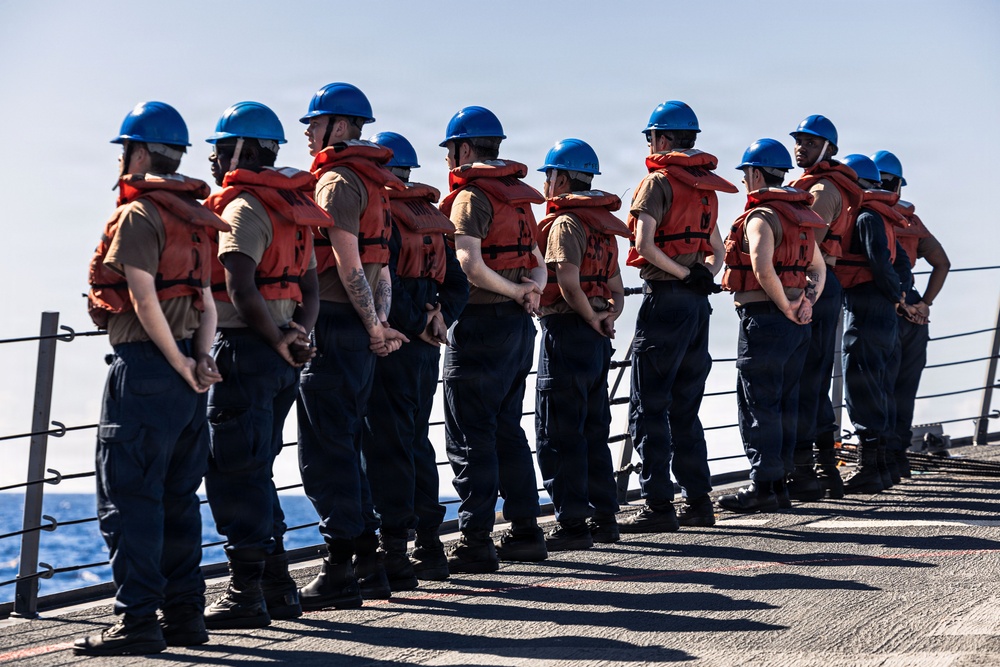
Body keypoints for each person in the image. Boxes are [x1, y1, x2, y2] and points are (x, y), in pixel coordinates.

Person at [77, 101, 227, 656]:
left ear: (137, 153)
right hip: (190, 372)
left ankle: (137, 620)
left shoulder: (141, 216)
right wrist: (202, 359)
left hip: (146, 369)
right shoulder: (196, 217)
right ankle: (186, 615)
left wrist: (179, 360)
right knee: (178, 497)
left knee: (131, 499)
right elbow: (208, 302)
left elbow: (142, 299)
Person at [201, 102, 328, 628]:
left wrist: (276, 337)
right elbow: (313, 286)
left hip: (244, 350)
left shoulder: (243, 208)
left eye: (218, 148)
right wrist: (298, 333)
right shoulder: (291, 207)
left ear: (241, 150)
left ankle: (244, 593)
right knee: (256, 468)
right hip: (282, 355)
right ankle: (278, 585)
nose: (212, 159)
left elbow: (239, 285)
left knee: (233, 471)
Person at [296, 82, 408, 609]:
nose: (307, 133)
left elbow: (347, 262)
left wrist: (369, 325)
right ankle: (369, 565)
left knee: (327, 454)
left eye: (313, 124)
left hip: (335, 327)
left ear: (338, 126)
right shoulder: (375, 185)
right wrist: (380, 324)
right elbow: (379, 267)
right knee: (351, 446)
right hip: (361, 331)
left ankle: (339, 567)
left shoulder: (337, 182)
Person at [438, 105, 548, 572]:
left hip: (480, 327)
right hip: (519, 328)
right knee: (507, 429)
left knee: (470, 436)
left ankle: (475, 540)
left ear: (463, 149)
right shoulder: (518, 199)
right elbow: (539, 260)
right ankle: (525, 530)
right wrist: (530, 292)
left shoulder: (469, 197)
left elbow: (468, 265)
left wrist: (513, 290)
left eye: (449, 151)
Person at [623, 100, 736, 532]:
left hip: (665, 300)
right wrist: (703, 275)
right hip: (697, 304)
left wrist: (682, 274)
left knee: (649, 406)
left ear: (663, 139)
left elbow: (645, 245)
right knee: (686, 408)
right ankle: (698, 501)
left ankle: (657, 505)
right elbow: (719, 251)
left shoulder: (656, 183)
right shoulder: (705, 188)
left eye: (651, 137)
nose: (650, 144)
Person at [364, 131, 469, 586]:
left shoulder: (383, 215)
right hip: (428, 349)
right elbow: (459, 284)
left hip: (395, 345)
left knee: (386, 445)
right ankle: (430, 543)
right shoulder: (433, 217)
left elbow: (383, 278)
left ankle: (394, 554)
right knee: (416, 441)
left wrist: (413, 323)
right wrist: (440, 318)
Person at [718, 139, 826, 512]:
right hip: (798, 326)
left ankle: (764, 487)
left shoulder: (762, 216)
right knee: (785, 403)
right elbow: (818, 268)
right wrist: (805, 304)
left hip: (765, 320)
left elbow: (763, 269)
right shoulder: (800, 217)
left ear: (754, 173)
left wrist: (786, 307)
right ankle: (779, 486)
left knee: (759, 404)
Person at [534, 139, 628, 549]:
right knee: (594, 427)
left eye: (549, 175)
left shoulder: (566, 224)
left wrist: (590, 318)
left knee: (559, 431)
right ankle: (605, 518)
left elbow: (567, 282)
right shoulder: (602, 226)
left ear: (559, 177)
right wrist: (608, 317)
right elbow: (617, 289)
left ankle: (572, 524)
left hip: (569, 331)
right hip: (596, 336)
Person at [786, 115, 865, 501]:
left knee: (808, 378)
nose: (801, 147)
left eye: (810, 142)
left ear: (828, 149)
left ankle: (810, 470)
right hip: (825, 283)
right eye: (799, 140)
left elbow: (808, 244)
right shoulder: (827, 185)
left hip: (814, 282)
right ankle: (821, 471)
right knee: (814, 377)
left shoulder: (823, 190)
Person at [833, 154, 909, 494]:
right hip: (884, 312)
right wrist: (900, 296)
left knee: (861, 387)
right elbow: (902, 266)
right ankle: (883, 468)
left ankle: (870, 469)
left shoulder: (864, 217)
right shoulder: (885, 218)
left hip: (865, 308)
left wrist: (893, 295)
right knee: (879, 386)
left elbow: (879, 264)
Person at [873, 150, 950, 481]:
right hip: (914, 315)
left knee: (877, 390)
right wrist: (925, 304)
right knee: (904, 392)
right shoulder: (911, 221)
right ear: (899, 187)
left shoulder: (867, 216)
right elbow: (942, 262)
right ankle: (899, 459)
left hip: (883, 308)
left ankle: (879, 463)